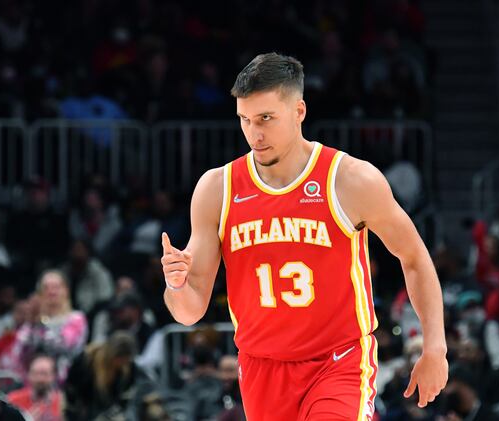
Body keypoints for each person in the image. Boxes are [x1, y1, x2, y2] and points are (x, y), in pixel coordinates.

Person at [161, 52, 447, 420]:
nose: (255, 133)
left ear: (299, 111)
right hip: (261, 367)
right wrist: (177, 285)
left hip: (337, 362)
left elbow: (414, 258)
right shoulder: (217, 188)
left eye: (266, 118)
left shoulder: (350, 180)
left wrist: (434, 347)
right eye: (245, 120)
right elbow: (189, 311)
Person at [7, 354, 63, 421]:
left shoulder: (62, 403)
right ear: (29, 375)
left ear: (53, 376)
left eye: (44, 373)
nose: (40, 378)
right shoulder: (14, 401)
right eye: (35, 373)